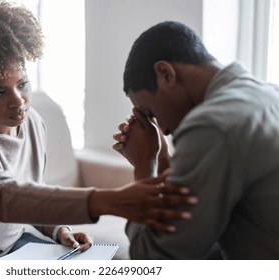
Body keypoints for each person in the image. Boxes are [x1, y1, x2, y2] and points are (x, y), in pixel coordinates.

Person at [0, 2, 197, 260]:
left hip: (9, 249)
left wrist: (58, 230)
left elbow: (31, 195)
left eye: (23, 84)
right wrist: (109, 200)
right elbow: (3, 196)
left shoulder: (32, 124)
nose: (18, 101)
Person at [113, 20, 279, 259]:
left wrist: (143, 168)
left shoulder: (212, 125)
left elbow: (156, 257)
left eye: (150, 113)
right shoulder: (269, 93)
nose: (162, 129)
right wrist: (162, 160)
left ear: (165, 74)